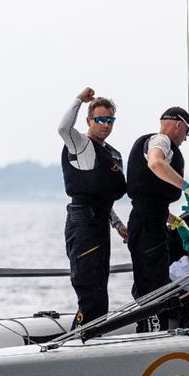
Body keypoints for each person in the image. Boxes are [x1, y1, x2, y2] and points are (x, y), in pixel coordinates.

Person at [58, 87, 128, 328]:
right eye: (100, 120)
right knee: (89, 288)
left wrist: (119, 226)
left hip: (100, 224)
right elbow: (63, 128)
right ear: (89, 121)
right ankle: (80, 336)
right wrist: (78, 99)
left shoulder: (113, 154)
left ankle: (94, 335)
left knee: (100, 289)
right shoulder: (81, 145)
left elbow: (103, 197)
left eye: (110, 120)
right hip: (82, 224)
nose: (105, 125)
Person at [126, 107, 189, 332]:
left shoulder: (160, 143)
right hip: (146, 223)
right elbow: (156, 163)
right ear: (178, 124)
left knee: (155, 279)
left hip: (150, 220)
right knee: (152, 284)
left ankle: (153, 327)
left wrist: (177, 222)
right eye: (187, 132)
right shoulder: (161, 140)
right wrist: (186, 187)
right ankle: (151, 331)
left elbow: (151, 200)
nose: (185, 139)